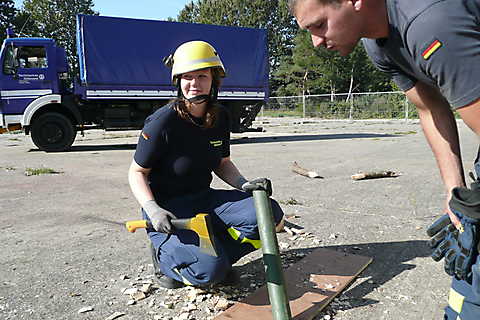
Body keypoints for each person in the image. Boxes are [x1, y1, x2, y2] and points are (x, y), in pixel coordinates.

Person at [287, 0, 480, 318]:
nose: (316, 42)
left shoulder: (430, 25)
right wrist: (454, 189)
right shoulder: (377, 46)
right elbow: (429, 108)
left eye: (320, 25)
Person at [128, 40, 285, 289]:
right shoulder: (162, 122)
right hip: (169, 210)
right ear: (178, 81)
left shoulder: (220, 117)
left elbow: (222, 163)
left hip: (204, 199)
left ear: (214, 80)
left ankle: (216, 255)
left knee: (268, 213)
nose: (194, 83)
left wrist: (244, 184)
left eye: (202, 75)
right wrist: (153, 209)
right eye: (187, 77)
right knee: (209, 274)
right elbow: (136, 172)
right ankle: (165, 260)